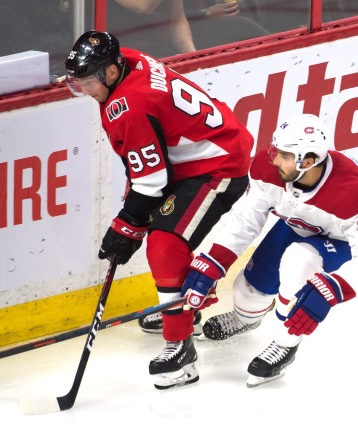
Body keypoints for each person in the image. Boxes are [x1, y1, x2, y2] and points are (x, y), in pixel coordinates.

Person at [64, 30, 254, 389]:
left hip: (218, 165)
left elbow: (150, 181)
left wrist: (127, 225)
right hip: (188, 160)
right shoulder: (128, 60)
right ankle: (181, 312)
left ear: (109, 72)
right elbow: (150, 157)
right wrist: (132, 216)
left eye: (88, 81)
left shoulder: (129, 104)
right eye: (79, 83)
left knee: (165, 242)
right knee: (155, 230)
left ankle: (180, 349)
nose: (85, 90)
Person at [180, 113, 358, 387]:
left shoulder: (355, 191)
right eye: (275, 149)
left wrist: (331, 290)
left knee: (299, 260)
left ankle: (285, 343)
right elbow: (247, 217)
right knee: (247, 291)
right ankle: (246, 319)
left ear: (309, 161)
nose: (274, 159)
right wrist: (215, 260)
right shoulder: (267, 169)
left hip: (343, 242)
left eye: (284, 155)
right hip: (301, 226)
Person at [107, 0, 196, 58]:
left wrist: (192, 55)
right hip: (125, 60)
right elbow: (142, 6)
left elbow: (177, 20)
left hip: (162, 57)